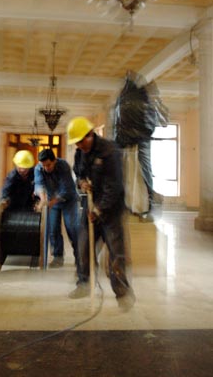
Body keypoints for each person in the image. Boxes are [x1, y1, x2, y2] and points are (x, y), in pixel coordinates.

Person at [67, 116, 135, 307]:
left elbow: (113, 187)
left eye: (81, 141)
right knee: (82, 246)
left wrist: (99, 210)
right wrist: (81, 182)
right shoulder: (80, 152)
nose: (79, 145)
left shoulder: (110, 151)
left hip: (111, 209)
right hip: (91, 205)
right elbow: (78, 171)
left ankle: (122, 294)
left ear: (91, 135)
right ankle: (84, 284)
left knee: (116, 252)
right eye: (77, 143)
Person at [34, 148, 80, 269]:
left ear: (54, 161)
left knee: (72, 228)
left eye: (48, 165)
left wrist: (51, 202)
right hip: (51, 201)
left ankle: (80, 258)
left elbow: (67, 189)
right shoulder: (39, 168)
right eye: (43, 165)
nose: (46, 168)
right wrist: (43, 198)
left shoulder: (63, 166)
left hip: (68, 200)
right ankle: (57, 257)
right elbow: (39, 184)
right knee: (53, 230)